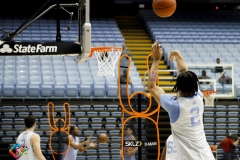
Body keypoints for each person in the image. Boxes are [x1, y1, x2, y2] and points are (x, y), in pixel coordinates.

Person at [147, 40, 215, 160]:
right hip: (208, 156)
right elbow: (184, 72)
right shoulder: (199, 97)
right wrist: (179, 56)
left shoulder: (175, 106)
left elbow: (152, 86)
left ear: (177, 87)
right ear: (195, 85)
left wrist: (156, 60)